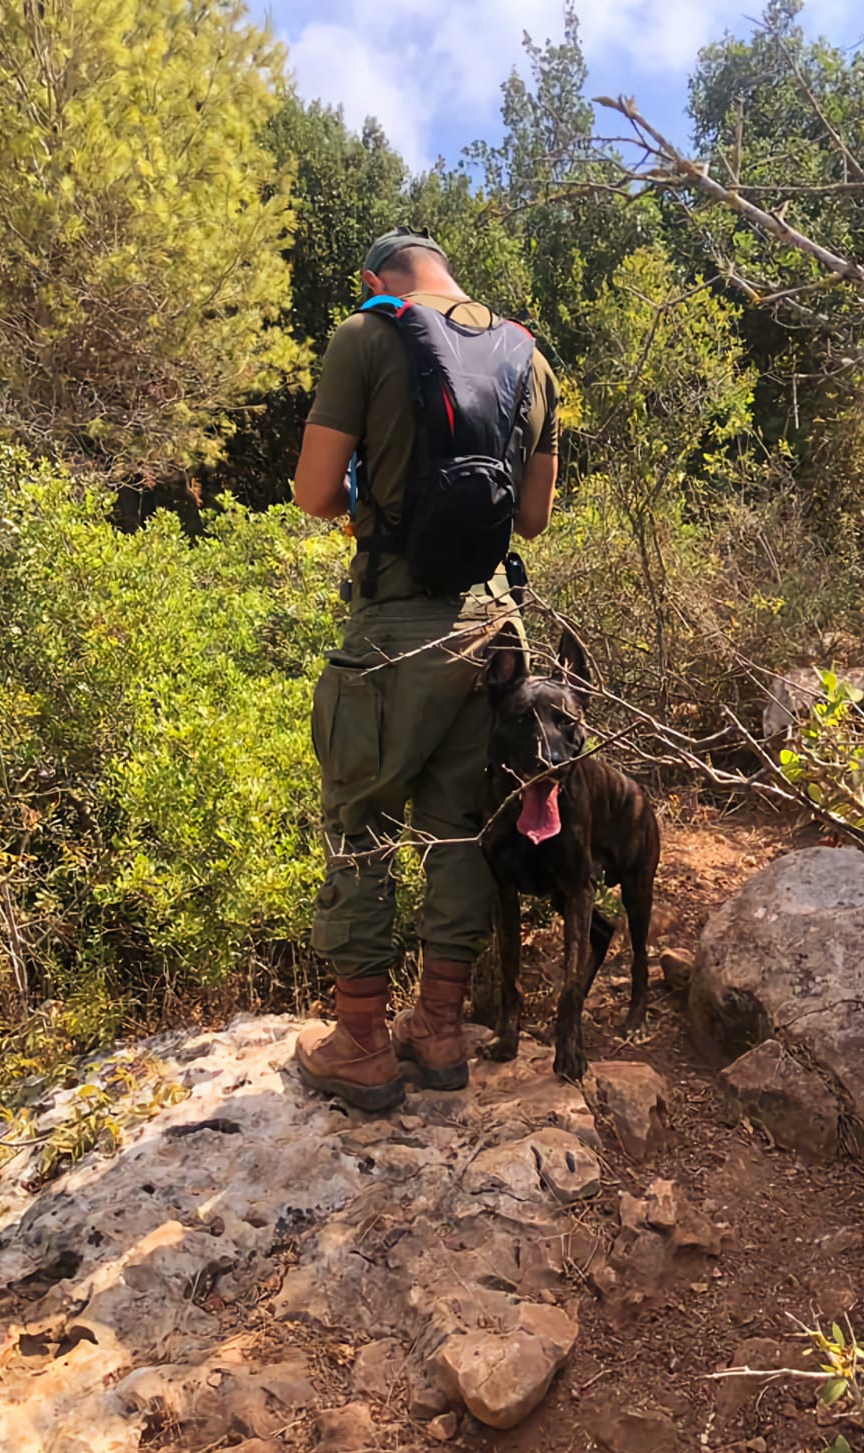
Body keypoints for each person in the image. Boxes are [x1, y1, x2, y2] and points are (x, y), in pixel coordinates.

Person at [290, 227, 559, 1112]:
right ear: (447, 270)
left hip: (393, 628)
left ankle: (361, 1042)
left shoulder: (366, 335)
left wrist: (379, 498)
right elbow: (531, 521)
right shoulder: (527, 354)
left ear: (377, 279)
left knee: (359, 814)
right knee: (457, 826)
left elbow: (313, 491)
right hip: (492, 631)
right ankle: (439, 1029)